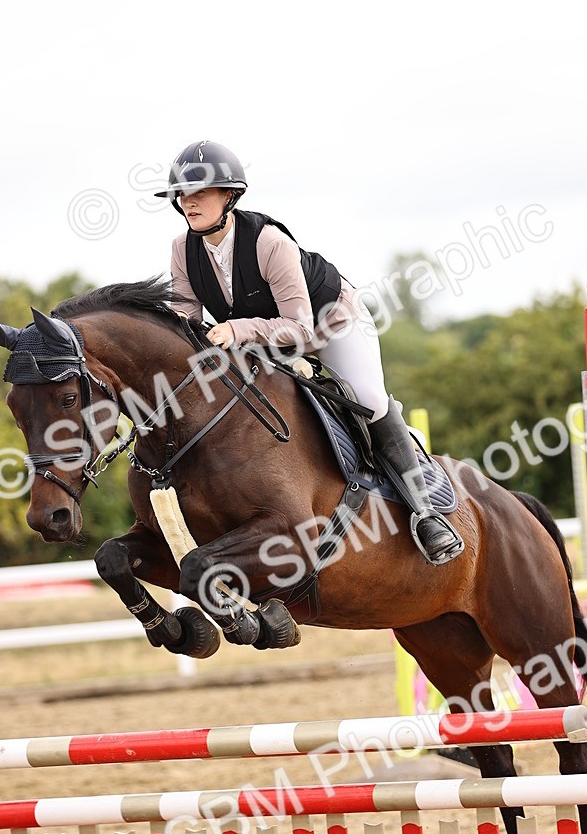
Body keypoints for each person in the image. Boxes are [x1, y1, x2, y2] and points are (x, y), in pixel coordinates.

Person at [155, 140, 463, 566]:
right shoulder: (182, 249)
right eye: (182, 194)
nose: (188, 202)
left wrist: (236, 329)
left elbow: (299, 327)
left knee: (368, 399)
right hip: (262, 340)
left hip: (330, 325)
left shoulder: (269, 242)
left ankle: (425, 513)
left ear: (229, 195)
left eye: (200, 192)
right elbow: (186, 321)